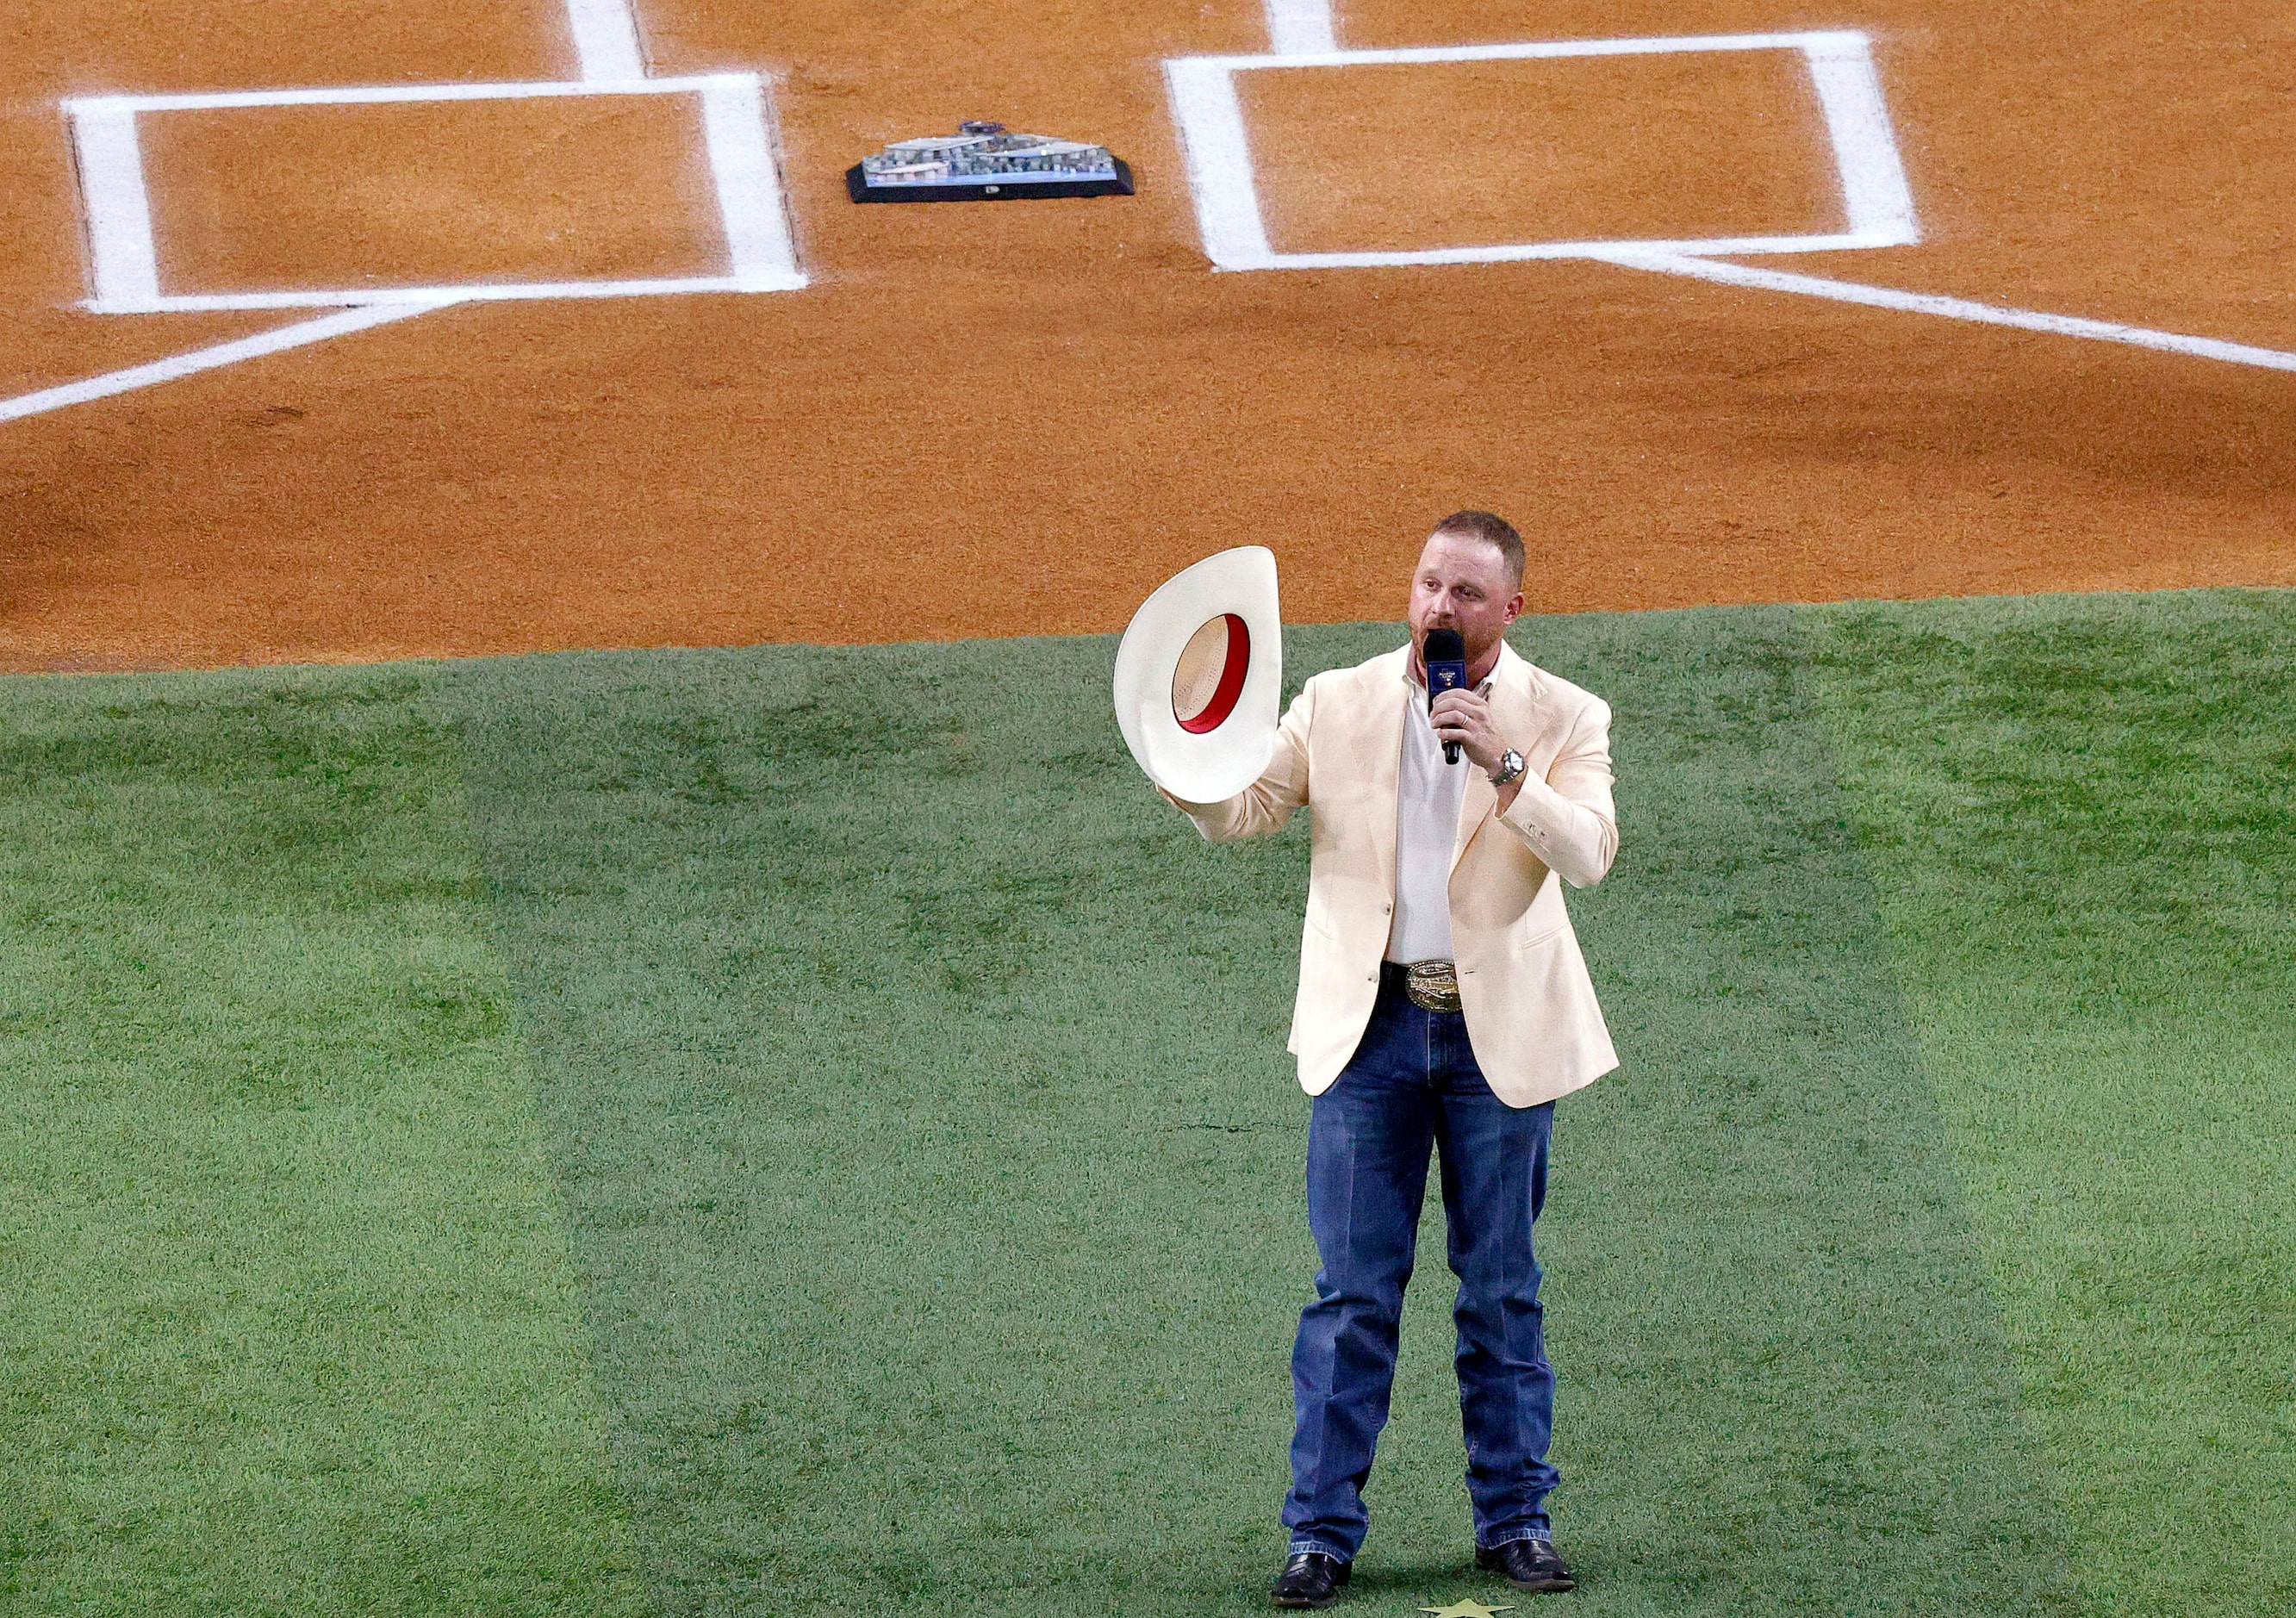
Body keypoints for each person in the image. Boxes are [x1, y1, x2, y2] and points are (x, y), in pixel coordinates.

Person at [1161, 512, 1620, 1608]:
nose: (1439, 609)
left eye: (1466, 593)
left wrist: (1505, 764)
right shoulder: (1338, 700)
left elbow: (1590, 854)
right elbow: (1245, 809)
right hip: (1366, 1035)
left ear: (1511, 609)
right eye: (1427, 585)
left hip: (1495, 1041)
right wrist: (1177, 756)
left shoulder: (1563, 717)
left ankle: (1515, 1523)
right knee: (1351, 1297)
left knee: (1501, 1294)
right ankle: (1320, 1537)